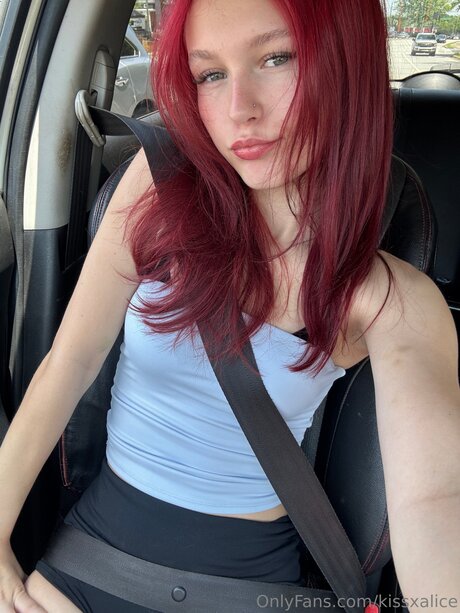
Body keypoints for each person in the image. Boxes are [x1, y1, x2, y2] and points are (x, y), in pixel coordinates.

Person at [0, 0, 459, 611]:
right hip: (86, 568)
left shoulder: (392, 300)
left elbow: (434, 502)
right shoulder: (158, 189)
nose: (240, 108)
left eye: (277, 57)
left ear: (349, 66)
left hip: (249, 590)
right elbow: (70, 361)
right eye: (211, 73)